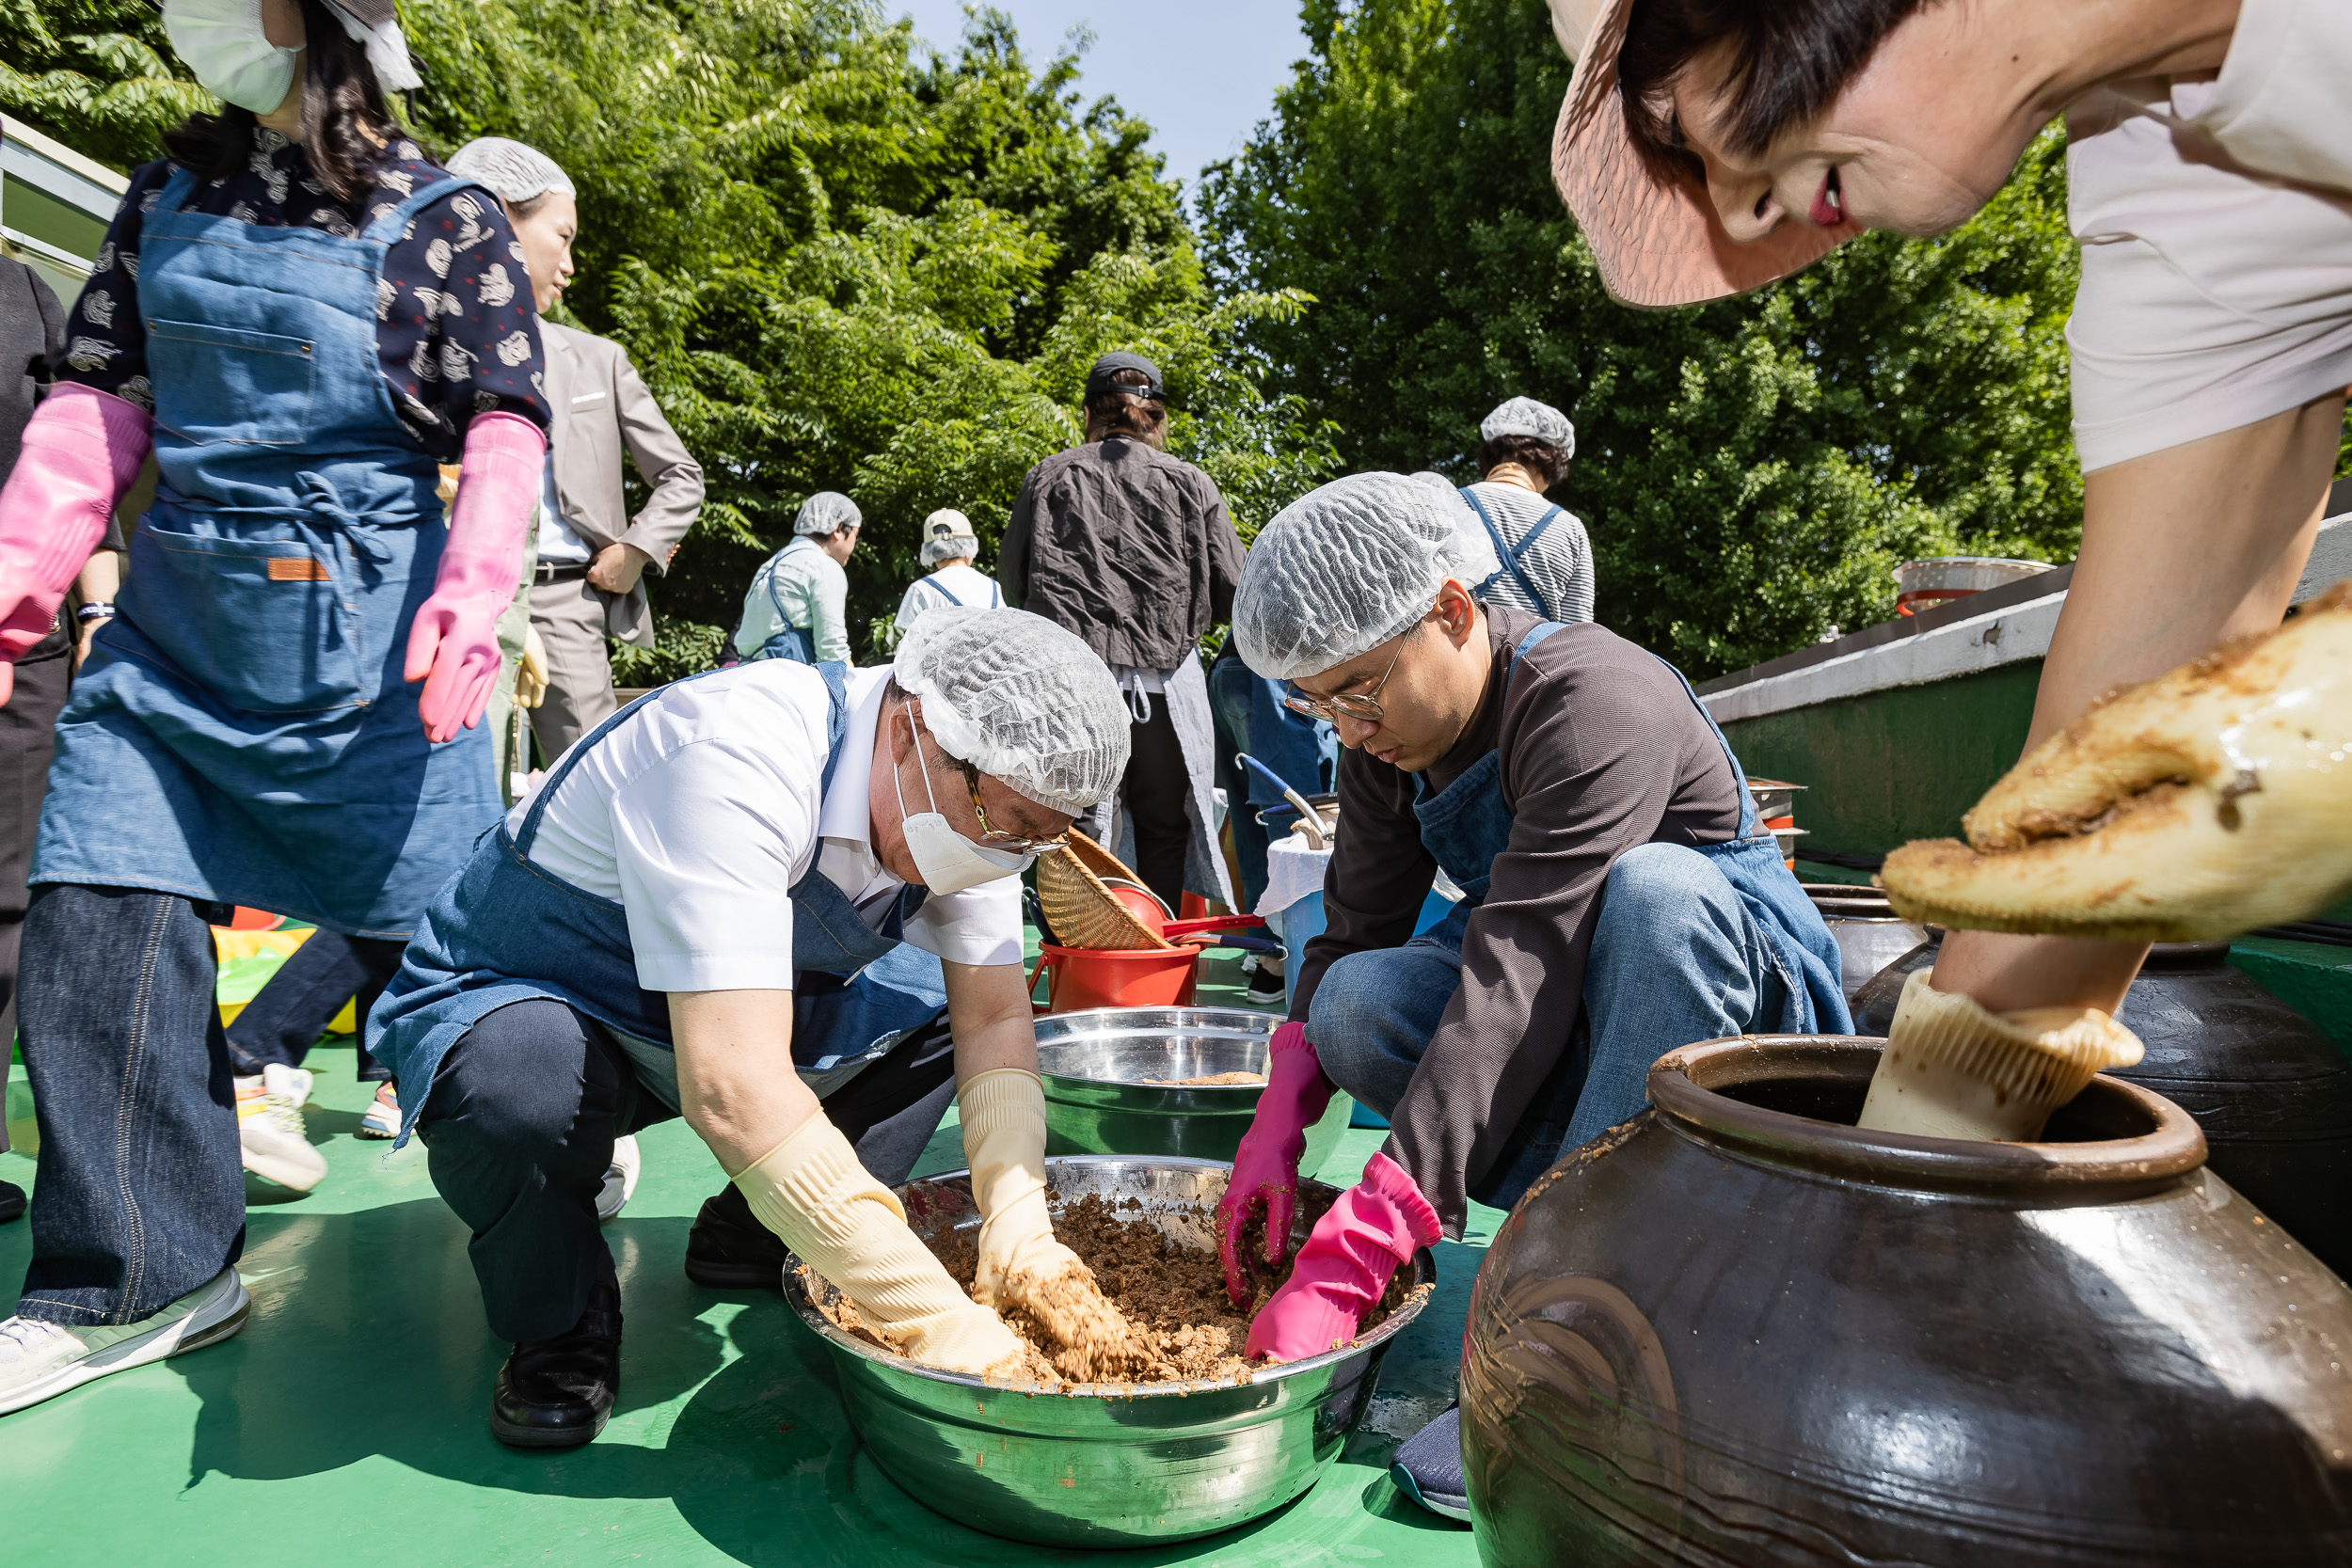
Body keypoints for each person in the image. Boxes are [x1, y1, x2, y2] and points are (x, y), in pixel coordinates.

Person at [1550, 0, 2351, 1036]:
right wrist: (1909, 1147)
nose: (1739, 214)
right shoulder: (2180, 202)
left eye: (1671, 120)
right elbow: (2086, 818)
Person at [0, 0, 548, 1414]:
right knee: (94, 908)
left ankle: (566, 1147)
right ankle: (141, 1270)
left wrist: (476, 590)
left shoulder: (450, 216)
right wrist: (17, 583)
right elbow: (98, 398)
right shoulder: (163, 193)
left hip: (382, 652)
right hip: (178, 635)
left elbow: (504, 417)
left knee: (459, 973)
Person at [1214, 472, 1850, 1519]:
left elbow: (1522, 958)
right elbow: (1356, 931)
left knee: (1656, 890)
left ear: (1453, 611)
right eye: (1315, 703)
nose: (1348, 727)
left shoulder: (1596, 697)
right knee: (1353, 1006)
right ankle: (1593, 1228)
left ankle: (1572, 1337)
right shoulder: (1389, 738)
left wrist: (1365, 1234)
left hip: (1735, 1027)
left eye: (1359, 691)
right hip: (1579, 1017)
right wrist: (1282, 1106)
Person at [368, 608, 1135, 1447]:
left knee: (938, 1016)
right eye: (1004, 824)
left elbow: (990, 1016)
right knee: (520, 1087)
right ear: (917, 726)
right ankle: (562, 1310)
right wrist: (927, 1312)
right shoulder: (737, 749)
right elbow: (732, 1084)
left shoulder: (976, 802)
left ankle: (753, 1228)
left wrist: (1020, 1225)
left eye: (1034, 840)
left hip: (714, 1023)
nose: (1003, 854)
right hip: (544, 997)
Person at [445, 136, 704, 765]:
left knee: (594, 787)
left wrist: (634, 550)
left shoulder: (598, 360)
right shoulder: (419, 341)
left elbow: (681, 475)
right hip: (444, 593)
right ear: (504, 216)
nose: (571, 263)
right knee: (455, 780)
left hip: (566, 601)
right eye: (563, 237)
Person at [999, 352, 1242, 915]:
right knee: (1163, 829)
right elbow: (1233, 589)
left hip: (1074, 688)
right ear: (1157, 418)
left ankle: (1079, 974)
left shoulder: (1048, 476)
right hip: (1164, 693)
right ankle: (1150, 961)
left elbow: (1013, 585)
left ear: (1087, 413)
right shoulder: (1191, 483)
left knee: (1074, 832)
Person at [0, 220, 129, 1227]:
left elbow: (86, 458)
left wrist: (97, 609)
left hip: (28, 645)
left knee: (9, 903)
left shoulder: (29, 296)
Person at [1457, 396, 1595, 626]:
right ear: (1549, 464)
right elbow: (1578, 630)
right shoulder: (1570, 528)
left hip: (1458, 657)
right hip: (1536, 660)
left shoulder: (1451, 502)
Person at [736, 492, 860, 665]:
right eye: (856, 534)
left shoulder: (771, 565)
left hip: (745, 676)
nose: (855, 543)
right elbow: (832, 650)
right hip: (785, 684)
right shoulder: (824, 566)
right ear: (838, 529)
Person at [891, 509, 1001, 642]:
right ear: (970, 545)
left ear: (931, 551)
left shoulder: (921, 589)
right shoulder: (993, 586)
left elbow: (907, 647)